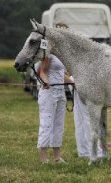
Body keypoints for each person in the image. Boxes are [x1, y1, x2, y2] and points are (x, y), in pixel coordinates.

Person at [37, 23, 73, 163]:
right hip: (48, 93)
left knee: (59, 125)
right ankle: (43, 157)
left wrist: (72, 82)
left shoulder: (63, 53)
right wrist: (45, 82)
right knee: (47, 123)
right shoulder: (48, 51)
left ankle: (57, 157)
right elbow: (42, 71)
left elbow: (61, 75)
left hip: (60, 93)